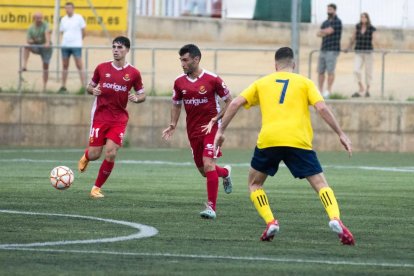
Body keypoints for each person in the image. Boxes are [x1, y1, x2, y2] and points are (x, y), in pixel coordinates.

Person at [214, 47, 355, 245]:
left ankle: (271, 221)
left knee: (255, 184)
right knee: (321, 185)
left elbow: (235, 103)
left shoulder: (262, 82)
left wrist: (221, 131)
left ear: (275, 65)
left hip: (269, 140)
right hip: (298, 141)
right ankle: (334, 218)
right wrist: (341, 134)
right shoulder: (305, 82)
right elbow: (322, 107)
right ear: (294, 65)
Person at [162, 44, 233, 219]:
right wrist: (172, 124)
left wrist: (216, 120)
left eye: (185, 60)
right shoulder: (179, 82)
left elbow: (230, 101)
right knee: (204, 170)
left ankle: (211, 208)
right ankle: (225, 173)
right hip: (193, 131)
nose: (182, 64)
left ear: (196, 59)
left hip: (212, 128)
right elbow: (176, 104)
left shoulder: (213, 79)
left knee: (208, 165)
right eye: (181, 60)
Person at [77, 36, 145, 198]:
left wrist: (137, 98)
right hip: (100, 117)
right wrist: (92, 90)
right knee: (95, 154)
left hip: (119, 119)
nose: (116, 50)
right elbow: (89, 87)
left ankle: (96, 188)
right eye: (114, 47)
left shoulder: (133, 73)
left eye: (120, 47)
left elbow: (142, 94)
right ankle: (86, 156)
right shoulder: (102, 68)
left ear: (127, 50)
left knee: (111, 152)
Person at [346, 12, 377, 98]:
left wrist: (378, 49)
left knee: (368, 71)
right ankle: (361, 87)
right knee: (356, 70)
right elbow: (353, 38)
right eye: (361, 17)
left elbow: (374, 40)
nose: (363, 19)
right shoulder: (358, 27)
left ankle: (367, 90)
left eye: (364, 17)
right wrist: (348, 47)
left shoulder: (372, 28)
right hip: (359, 51)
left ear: (367, 18)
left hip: (368, 52)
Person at [58, 2, 87, 93]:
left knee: (79, 65)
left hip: (76, 45)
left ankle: (84, 86)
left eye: (69, 8)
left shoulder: (79, 18)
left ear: (73, 8)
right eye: (66, 8)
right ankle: (63, 86)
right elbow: (62, 31)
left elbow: (84, 31)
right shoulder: (63, 19)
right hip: (65, 45)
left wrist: (79, 40)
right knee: (64, 66)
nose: (68, 10)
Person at [317, 3, 342, 99]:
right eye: (328, 9)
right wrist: (325, 31)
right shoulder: (325, 22)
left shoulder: (337, 21)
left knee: (330, 71)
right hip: (323, 49)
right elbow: (318, 34)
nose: (328, 11)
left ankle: (328, 90)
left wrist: (324, 31)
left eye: (330, 9)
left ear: (334, 10)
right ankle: (320, 90)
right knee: (320, 71)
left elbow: (329, 31)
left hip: (332, 50)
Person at [22, 12, 53, 92]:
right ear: (34, 19)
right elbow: (28, 40)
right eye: (37, 18)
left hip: (46, 48)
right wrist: (33, 41)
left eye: (40, 18)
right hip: (37, 46)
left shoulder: (45, 24)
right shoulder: (31, 28)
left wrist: (47, 42)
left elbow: (47, 32)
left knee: (45, 67)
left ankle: (44, 87)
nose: (39, 20)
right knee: (26, 46)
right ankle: (24, 65)